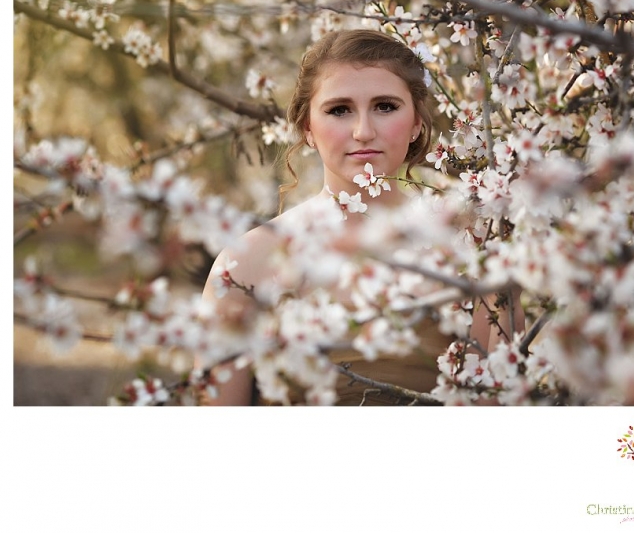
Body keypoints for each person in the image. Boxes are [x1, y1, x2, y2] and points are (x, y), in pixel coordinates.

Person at [200, 29, 519, 405]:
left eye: (385, 106)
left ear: (417, 121)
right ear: (308, 129)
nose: (363, 131)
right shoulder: (246, 263)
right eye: (339, 110)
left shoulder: (475, 253)